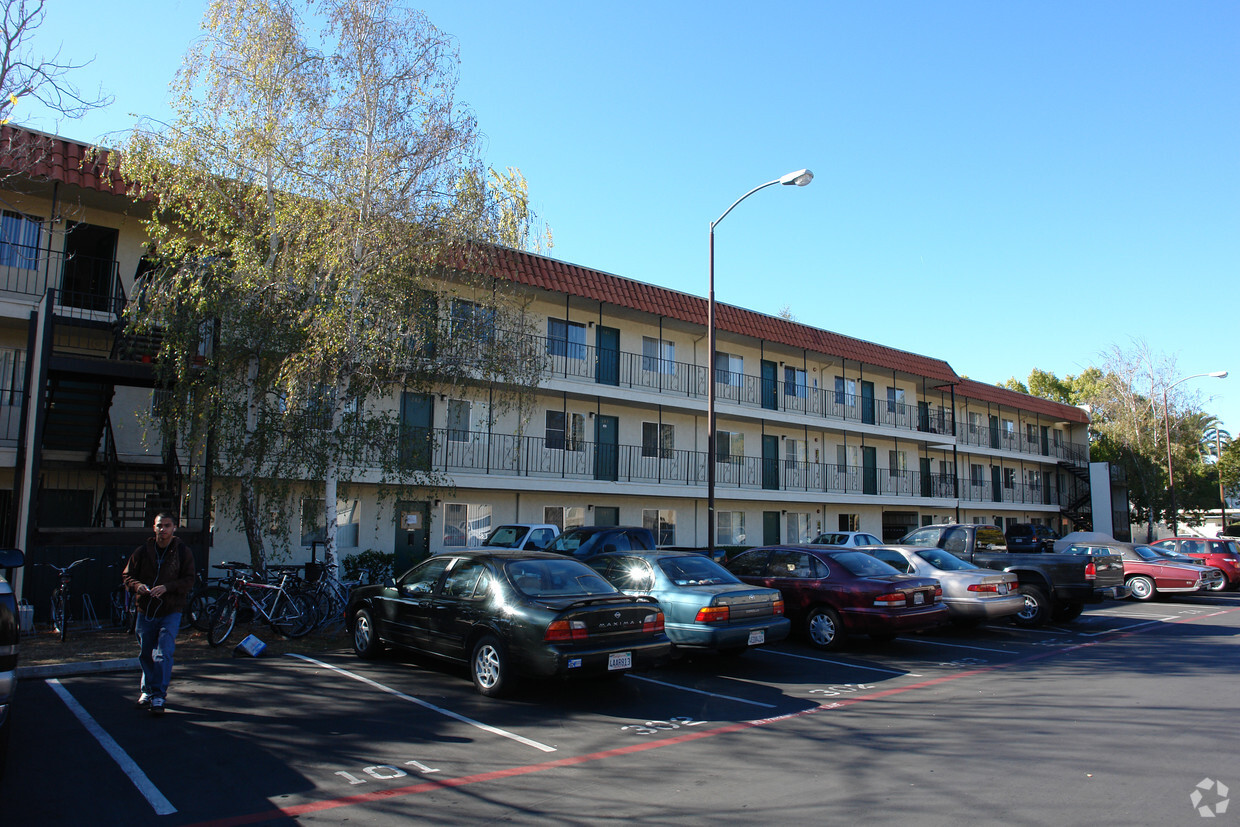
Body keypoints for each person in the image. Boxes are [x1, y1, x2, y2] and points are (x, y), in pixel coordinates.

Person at [122, 512, 195, 715]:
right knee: (146, 652)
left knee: (163, 653)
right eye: (159, 526)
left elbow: (189, 579)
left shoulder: (182, 552)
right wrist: (139, 587)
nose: (162, 529)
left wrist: (167, 587)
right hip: (146, 609)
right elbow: (127, 576)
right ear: (154, 527)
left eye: (167, 525)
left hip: (171, 609)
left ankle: (158, 696)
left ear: (174, 528)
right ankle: (147, 690)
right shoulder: (143, 551)